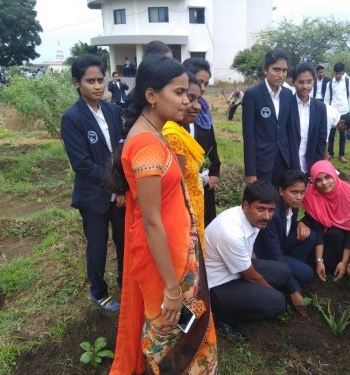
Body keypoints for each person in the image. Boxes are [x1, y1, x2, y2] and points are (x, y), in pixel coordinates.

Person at [107, 55, 217, 375]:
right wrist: (171, 287)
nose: (187, 101)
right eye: (179, 92)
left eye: (188, 93)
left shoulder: (155, 132)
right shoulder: (147, 145)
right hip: (165, 260)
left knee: (184, 327)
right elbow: (152, 220)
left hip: (177, 248)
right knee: (169, 332)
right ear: (152, 95)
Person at [60, 55, 125, 312]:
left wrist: (124, 186)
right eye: (90, 81)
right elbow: (83, 164)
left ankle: (124, 283)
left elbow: (120, 150)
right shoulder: (72, 118)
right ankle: (98, 292)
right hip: (94, 196)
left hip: (118, 193)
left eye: (100, 80)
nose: (98, 86)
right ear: (77, 83)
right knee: (97, 246)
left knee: (123, 241)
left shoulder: (111, 110)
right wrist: (116, 186)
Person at [205, 181, 307, 341]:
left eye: (271, 210)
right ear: (246, 205)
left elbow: (249, 254)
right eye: (261, 209)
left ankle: (251, 299)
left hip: (235, 272)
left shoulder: (251, 218)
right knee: (277, 302)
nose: (266, 216)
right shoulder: (231, 233)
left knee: (283, 270)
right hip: (216, 286)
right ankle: (220, 317)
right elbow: (251, 276)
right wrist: (272, 292)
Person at [254, 170, 317, 303]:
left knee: (310, 236)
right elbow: (273, 255)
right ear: (281, 191)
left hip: (280, 247)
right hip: (266, 257)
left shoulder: (292, 206)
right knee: (307, 273)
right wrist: (294, 290)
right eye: (294, 192)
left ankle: (288, 276)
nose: (299, 197)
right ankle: (282, 281)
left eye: (302, 192)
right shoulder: (272, 214)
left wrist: (301, 223)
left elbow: (287, 228)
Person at [242, 48, 300, 186]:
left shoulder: (288, 95)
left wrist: (296, 168)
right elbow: (248, 135)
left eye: (284, 70)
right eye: (276, 69)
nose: (281, 75)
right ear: (265, 69)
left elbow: (291, 133)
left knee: (282, 200)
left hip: (284, 160)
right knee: (263, 202)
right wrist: (251, 172)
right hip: (262, 161)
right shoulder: (252, 95)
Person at [162, 73, 206, 250]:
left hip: (194, 213)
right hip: (186, 221)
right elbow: (176, 191)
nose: (196, 106)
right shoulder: (173, 136)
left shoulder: (181, 131)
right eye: (190, 98)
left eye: (199, 99)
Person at [301, 160, 350, 282]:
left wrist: (345, 261)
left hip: (345, 239)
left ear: (334, 175)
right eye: (319, 179)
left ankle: (342, 265)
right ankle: (320, 266)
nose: (324, 183)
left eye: (328, 177)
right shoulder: (312, 195)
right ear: (313, 181)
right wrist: (319, 260)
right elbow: (317, 229)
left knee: (336, 234)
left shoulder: (348, 193)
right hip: (321, 237)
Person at [183, 58, 221, 226]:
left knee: (205, 222)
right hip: (184, 182)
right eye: (200, 82)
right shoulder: (178, 110)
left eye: (206, 83)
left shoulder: (203, 108)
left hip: (205, 179)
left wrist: (214, 172)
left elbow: (211, 143)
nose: (203, 88)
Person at [292, 62, 328, 175]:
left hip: (310, 165)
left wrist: (317, 167)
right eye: (301, 82)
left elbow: (321, 140)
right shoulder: (286, 104)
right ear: (294, 82)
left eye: (309, 82)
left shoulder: (320, 108)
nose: (305, 86)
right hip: (289, 165)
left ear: (314, 81)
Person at [324, 63, 350, 163]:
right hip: (333, 111)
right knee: (331, 134)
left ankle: (341, 154)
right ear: (334, 73)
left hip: (344, 111)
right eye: (337, 73)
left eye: (340, 73)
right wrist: (326, 111)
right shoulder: (330, 83)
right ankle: (330, 153)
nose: (338, 76)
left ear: (343, 73)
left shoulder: (347, 81)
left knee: (342, 135)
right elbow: (327, 98)